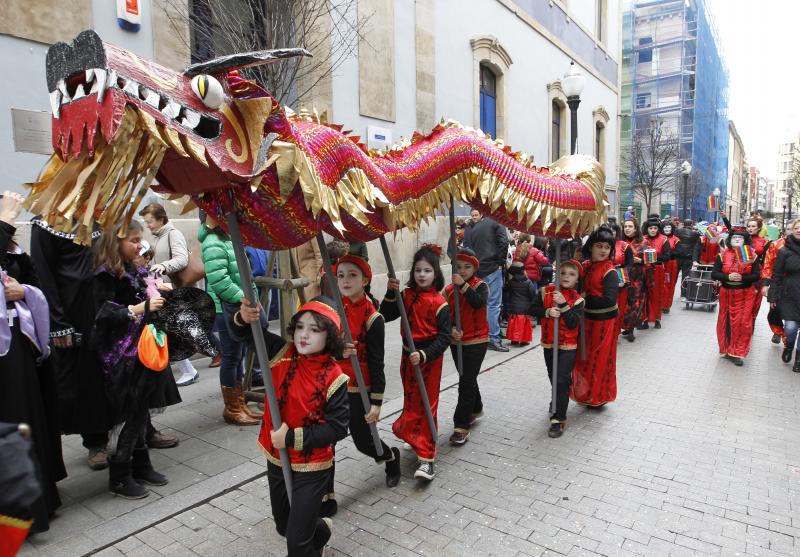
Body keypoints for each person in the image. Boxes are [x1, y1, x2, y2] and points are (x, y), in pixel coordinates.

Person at [232, 297, 349, 557]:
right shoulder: (280, 353)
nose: (304, 335)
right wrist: (244, 318)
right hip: (277, 457)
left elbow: (338, 428)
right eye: (300, 327)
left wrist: (293, 437)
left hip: (313, 465)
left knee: (296, 543)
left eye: (315, 329)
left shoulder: (335, 377)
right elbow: (246, 334)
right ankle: (320, 532)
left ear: (329, 336)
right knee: (285, 526)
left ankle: (309, 541)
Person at [92, 221, 179, 498]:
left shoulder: (134, 268)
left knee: (141, 410)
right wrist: (138, 307)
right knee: (131, 412)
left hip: (143, 348)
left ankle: (140, 464)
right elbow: (102, 316)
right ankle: (119, 475)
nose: (138, 245)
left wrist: (156, 289)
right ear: (115, 242)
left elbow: (145, 290)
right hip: (121, 356)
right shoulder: (104, 274)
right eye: (132, 240)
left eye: (139, 239)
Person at [0, 191, 65, 532]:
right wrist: (7, 220)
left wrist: (23, 292)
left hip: (20, 344)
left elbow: (34, 282)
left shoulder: (11, 248)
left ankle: (42, 501)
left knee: (31, 421)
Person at [30, 214, 112, 471]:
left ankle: (141, 428)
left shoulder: (98, 217)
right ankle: (96, 441)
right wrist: (58, 324)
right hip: (75, 312)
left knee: (119, 371)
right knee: (85, 380)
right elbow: (43, 276)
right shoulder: (44, 225)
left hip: (106, 307)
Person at [329, 255, 400, 510]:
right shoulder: (334, 309)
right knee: (328, 441)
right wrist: (338, 351)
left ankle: (390, 457)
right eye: (340, 275)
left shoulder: (374, 319)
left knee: (363, 441)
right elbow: (326, 349)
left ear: (366, 280)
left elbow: (377, 362)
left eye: (352, 275)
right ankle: (327, 496)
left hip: (360, 388)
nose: (346, 280)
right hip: (334, 385)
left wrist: (377, 403)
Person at [380, 244, 451, 480]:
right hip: (406, 357)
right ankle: (414, 435)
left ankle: (427, 458)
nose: (422, 274)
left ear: (436, 274)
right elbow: (386, 314)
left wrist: (424, 355)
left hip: (428, 360)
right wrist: (391, 293)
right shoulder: (406, 295)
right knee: (411, 400)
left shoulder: (440, 302)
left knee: (426, 404)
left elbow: (444, 338)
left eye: (427, 270)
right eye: (418, 270)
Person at [199, 214, 261, 426]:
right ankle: (232, 408)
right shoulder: (212, 241)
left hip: (239, 306)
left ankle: (240, 403)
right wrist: (243, 299)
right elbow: (219, 280)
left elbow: (244, 274)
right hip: (226, 309)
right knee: (231, 357)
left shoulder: (228, 238)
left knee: (239, 353)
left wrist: (253, 299)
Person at [139, 203, 198, 387]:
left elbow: (182, 258)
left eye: (150, 221)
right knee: (167, 329)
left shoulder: (174, 234)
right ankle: (187, 368)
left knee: (168, 330)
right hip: (161, 289)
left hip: (172, 289)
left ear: (160, 219)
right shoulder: (156, 237)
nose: (147, 225)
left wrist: (164, 266)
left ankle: (190, 369)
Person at [529, 259, 584, 438]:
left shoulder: (578, 300)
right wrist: (547, 312)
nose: (566, 277)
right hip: (549, 343)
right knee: (554, 377)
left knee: (562, 379)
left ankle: (558, 418)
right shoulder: (545, 291)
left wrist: (563, 305)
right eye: (563, 273)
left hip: (568, 346)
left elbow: (573, 322)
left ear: (577, 279)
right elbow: (531, 309)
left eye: (572, 274)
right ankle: (558, 399)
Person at [444, 248, 489, 446]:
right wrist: (451, 329)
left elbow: (478, 303)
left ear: (474, 268)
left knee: (465, 382)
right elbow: (444, 317)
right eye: (459, 266)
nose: (462, 270)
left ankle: (461, 426)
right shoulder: (447, 290)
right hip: (457, 342)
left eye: (467, 267)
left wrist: (462, 286)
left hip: (477, 341)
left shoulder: (481, 286)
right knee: (467, 378)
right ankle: (476, 408)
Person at [571, 226, 619, 407]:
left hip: (604, 323)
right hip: (586, 321)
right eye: (599, 246)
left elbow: (609, 300)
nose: (603, 250)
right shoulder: (585, 266)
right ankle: (584, 393)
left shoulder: (610, 271)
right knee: (584, 358)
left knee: (599, 360)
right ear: (591, 246)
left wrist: (583, 299)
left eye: (607, 247)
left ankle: (598, 396)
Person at [713, 227, 761, 367]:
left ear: (746, 240)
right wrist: (727, 276)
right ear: (730, 240)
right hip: (726, 293)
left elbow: (756, 275)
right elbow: (714, 274)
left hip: (745, 294)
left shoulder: (752, 255)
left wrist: (742, 277)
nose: (737, 239)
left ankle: (738, 352)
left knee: (742, 323)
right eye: (734, 238)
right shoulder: (722, 255)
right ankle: (727, 350)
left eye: (740, 238)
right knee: (725, 321)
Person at [463, 210, 509, 352]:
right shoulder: (497, 221)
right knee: (493, 305)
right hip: (492, 268)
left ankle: (485, 334)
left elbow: (467, 247)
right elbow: (504, 242)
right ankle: (493, 338)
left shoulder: (473, 227)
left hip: (478, 269)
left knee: (483, 304)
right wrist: (500, 262)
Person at [768, 220, 800, 368]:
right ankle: (789, 345)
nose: (799, 230)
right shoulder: (784, 251)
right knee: (790, 327)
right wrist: (772, 295)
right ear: (792, 230)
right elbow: (777, 274)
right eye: (796, 228)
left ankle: (798, 359)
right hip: (789, 294)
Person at [639, 217, 671, 330]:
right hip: (644, 270)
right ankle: (645, 320)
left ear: (658, 229)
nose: (653, 230)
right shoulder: (642, 239)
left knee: (657, 295)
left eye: (655, 228)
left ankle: (657, 319)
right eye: (650, 228)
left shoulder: (663, 239)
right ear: (647, 229)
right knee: (645, 295)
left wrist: (652, 258)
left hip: (657, 270)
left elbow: (667, 256)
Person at [621, 218, 646, 341]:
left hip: (637, 279)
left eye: (630, 226)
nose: (627, 229)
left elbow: (652, 260)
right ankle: (624, 327)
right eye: (625, 226)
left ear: (636, 228)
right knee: (622, 304)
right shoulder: (620, 242)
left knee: (634, 304)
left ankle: (631, 329)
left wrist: (640, 261)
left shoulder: (643, 243)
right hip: (622, 278)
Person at [762, 228, 787, 344]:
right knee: (774, 311)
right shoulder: (776, 245)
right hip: (778, 282)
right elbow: (768, 263)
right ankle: (777, 331)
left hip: (795, 284)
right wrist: (766, 283)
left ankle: (788, 337)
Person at [611, 223, 633, 337]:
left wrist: (623, 276)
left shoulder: (624, 245)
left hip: (620, 277)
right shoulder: (600, 245)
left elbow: (630, 263)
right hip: (604, 278)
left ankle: (616, 332)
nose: (611, 232)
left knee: (619, 306)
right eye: (608, 229)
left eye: (613, 230)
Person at [505, 265, 536, 345]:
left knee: (514, 325)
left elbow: (508, 293)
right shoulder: (528, 282)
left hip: (514, 307)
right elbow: (532, 294)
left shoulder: (511, 282)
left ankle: (514, 340)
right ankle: (523, 340)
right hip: (525, 308)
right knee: (523, 325)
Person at [673, 219, 701, 296]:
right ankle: (684, 293)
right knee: (685, 276)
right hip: (688, 257)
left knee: (674, 275)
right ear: (691, 224)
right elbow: (697, 246)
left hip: (677, 256)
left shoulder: (677, 231)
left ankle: (671, 291)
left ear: (683, 224)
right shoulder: (695, 234)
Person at [661, 221, 680, 314]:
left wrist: (667, 254)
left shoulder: (676, 239)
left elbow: (678, 252)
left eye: (669, 227)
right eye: (665, 227)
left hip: (670, 265)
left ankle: (666, 305)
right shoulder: (660, 238)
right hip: (660, 264)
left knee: (669, 285)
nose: (667, 229)